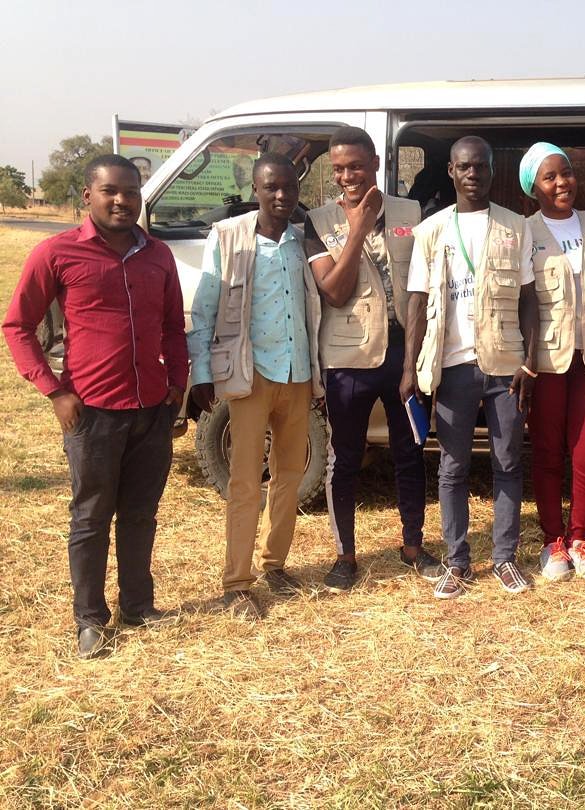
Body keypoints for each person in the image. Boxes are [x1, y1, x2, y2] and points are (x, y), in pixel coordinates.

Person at [3, 154, 187, 659]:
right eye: (110, 191)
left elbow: (174, 324)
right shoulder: (57, 252)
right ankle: (90, 618)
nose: (122, 200)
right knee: (90, 516)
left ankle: (137, 604)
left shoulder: (157, 255)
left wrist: (177, 383)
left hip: (152, 407)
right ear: (88, 196)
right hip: (91, 411)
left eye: (131, 191)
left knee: (141, 513)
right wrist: (55, 390)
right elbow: (18, 327)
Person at [401, 136, 539, 599]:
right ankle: (457, 562)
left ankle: (504, 559)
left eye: (481, 166)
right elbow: (417, 302)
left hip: (504, 364)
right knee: (453, 467)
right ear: (452, 173)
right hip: (453, 365)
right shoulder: (431, 230)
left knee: (507, 462)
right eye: (464, 167)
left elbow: (528, 301)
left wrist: (529, 362)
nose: (473, 174)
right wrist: (410, 369)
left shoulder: (515, 227)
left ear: (491, 171)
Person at [303, 126, 440, 590]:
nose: (347, 176)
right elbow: (336, 292)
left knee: (410, 452)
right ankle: (345, 556)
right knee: (345, 459)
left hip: (402, 356)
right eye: (338, 168)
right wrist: (358, 229)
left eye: (355, 166)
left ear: (376, 163)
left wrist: (415, 361)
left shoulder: (410, 212)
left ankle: (414, 547)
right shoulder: (317, 221)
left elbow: (420, 287)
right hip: (348, 360)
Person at [187, 153, 323, 620]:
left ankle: (275, 564)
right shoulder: (228, 238)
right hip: (249, 374)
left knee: (289, 473)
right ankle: (237, 583)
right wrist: (201, 373)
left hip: (298, 373)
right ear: (256, 188)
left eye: (289, 187)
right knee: (245, 481)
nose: (282, 196)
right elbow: (204, 309)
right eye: (272, 188)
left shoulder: (302, 242)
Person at [518, 142, 585, 582]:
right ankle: (552, 541)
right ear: (533, 188)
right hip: (545, 361)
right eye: (549, 177)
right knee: (546, 452)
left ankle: (580, 537)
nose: (562, 183)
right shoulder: (524, 232)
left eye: (566, 173)